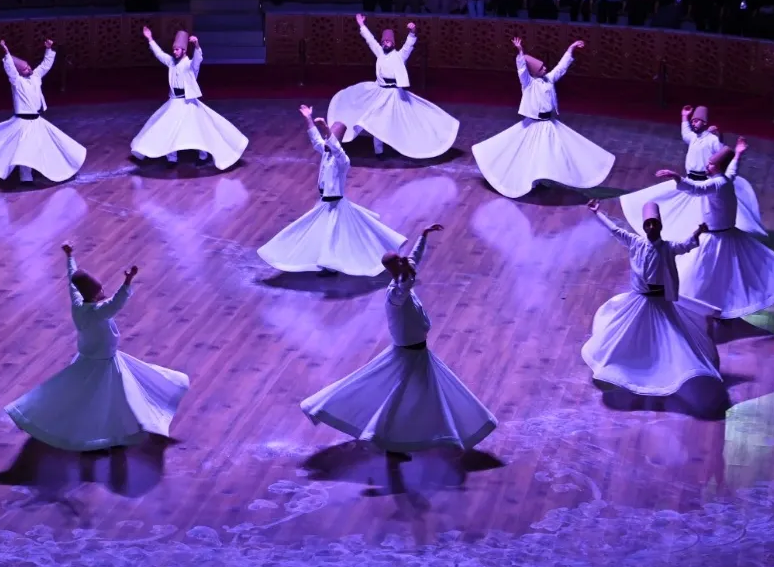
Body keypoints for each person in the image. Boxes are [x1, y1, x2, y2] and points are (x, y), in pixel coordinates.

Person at [300, 225, 497, 454]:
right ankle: (399, 437)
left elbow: (414, 259)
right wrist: (407, 273)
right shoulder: (395, 294)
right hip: (408, 356)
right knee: (406, 397)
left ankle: (408, 437)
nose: (404, 262)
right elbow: (405, 284)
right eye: (399, 262)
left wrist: (423, 235)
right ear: (393, 269)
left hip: (418, 354)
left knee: (413, 397)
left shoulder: (404, 278)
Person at [4, 243, 190, 450]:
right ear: (94, 295)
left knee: (82, 394)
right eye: (101, 290)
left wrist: (70, 257)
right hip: (104, 363)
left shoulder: (78, 306)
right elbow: (117, 302)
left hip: (89, 359)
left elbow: (72, 281)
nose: (104, 292)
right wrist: (128, 281)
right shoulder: (99, 312)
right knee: (111, 396)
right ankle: (110, 429)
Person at [582, 200, 721, 396]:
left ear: (660, 225)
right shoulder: (636, 243)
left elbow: (686, 245)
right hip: (640, 300)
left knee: (670, 338)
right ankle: (627, 366)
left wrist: (698, 232)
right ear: (644, 226)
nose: (651, 227)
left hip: (660, 302)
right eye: (648, 224)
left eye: (655, 223)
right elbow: (615, 230)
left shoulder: (668, 247)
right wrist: (598, 213)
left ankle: (668, 370)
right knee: (628, 334)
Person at [658, 139, 774, 319]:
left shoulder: (717, 184)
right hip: (721, 234)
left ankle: (691, 302)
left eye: (711, 164)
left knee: (701, 271)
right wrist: (738, 153)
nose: (707, 166)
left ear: (718, 167)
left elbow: (696, 189)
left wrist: (676, 177)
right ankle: (698, 302)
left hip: (716, 238)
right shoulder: (724, 179)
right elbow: (732, 171)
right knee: (711, 272)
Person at [257, 106, 406, 277]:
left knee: (332, 235)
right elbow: (316, 140)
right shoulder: (326, 153)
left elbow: (336, 148)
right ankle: (327, 262)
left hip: (335, 205)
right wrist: (309, 118)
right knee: (324, 233)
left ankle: (331, 265)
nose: (326, 142)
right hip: (324, 203)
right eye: (327, 139)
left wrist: (325, 128)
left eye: (329, 139)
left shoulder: (342, 160)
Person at [472, 37, 616, 198]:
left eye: (544, 66)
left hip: (549, 124)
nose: (545, 68)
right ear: (535, 72)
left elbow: (561, 67)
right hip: (535, 125)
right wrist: (520, 52)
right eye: (541, 68)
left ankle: (544, 178)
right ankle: (532, 180)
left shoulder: (549, 79)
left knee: (549, 152)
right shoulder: (529, 84)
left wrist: (571, 48)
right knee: (532, 153)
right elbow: (522, 70)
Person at [619, 105, 767, 240]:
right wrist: (684, 116)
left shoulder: (712, 142)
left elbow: (722, 158)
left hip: (702, 181)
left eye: (697, 121)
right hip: (692, 178)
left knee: (700, 211)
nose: (694, 123)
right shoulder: (694, 138)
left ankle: (694, 233)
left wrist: (724, 143)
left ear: (705, 122)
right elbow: (686, 133)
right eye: (693, 121)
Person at [326, 16, 459, 159]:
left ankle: (403, 145)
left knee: (398, 121)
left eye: (388, 41)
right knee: (375, 121)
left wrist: (413, 32)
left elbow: (408, 45)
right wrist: (361, 25)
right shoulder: (379, 53)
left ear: (393, 43)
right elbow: (370, 40)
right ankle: (379, 152)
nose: (385, 43)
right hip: (379, 92)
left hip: (394, 94)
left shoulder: (400, 56)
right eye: (384, 41)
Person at [0, 39, 86, 184]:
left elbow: (45, 65)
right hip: (22, 122)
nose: (29, 69)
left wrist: (48, 49)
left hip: (37, 121)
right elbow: (10, 69)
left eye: (28, 66)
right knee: (24, 150)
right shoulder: (17, 81)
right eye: (26, 69)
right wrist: (6, 53)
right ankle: (26, 178)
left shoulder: (36, 77)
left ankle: (54, 168)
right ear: (20, 72)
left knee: (53, 144)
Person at [130, 28, 248, 169]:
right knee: (169, 128)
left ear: (184, 50)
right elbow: (159, 54)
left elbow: (198, 59)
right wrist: (150, 38)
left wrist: (197, 45)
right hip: (174, 102)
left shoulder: (190, 65)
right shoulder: (171, 62)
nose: (174, 52)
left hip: (188, 103)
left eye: (177, 50)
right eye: (174, 50)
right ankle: (171, 158)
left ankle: (203, 155)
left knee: (198, 129)